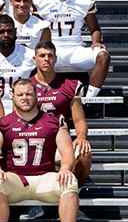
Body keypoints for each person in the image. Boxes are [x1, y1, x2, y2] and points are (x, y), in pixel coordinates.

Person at [0, 79, 80, 222]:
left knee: (70, 182)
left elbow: (67, 151)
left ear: (37, 96)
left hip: (45, 177)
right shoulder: (2, 123)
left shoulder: (54, 121)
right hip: (15, 179)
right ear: (13, 96)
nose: (25, 98)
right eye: (20, 94)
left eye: (29, 94)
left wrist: (66, 168)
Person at [33, 0, 110, 98]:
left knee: (103, 56)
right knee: (27, 58)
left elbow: (95, 28)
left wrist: (96, 42)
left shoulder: (84, 0)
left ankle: (89, 99)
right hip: (51, 50)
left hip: (76, 49)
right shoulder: (40, 2)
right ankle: (36, 96)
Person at [31, 41, 92, 188]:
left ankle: (74, 191)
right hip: (34, 140)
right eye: (42, 55)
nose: (46, 59)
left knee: (84, 153)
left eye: (50, 55)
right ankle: (34, 201)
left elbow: (79, 120)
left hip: (60, 141)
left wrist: (81, 137)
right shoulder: (26, 85)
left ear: (56, 59)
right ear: (35, 59)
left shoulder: (69, 85)